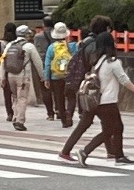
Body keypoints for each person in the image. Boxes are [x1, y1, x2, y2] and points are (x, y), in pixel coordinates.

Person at [59, 15, 113, 161]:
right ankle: (71, 151)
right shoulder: (94, 45)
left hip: (85, 87)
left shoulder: (85, 43)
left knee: (92, 122)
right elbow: (94, 66)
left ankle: (111, 151)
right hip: (93, 89)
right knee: (103, 122)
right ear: (105, 29)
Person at [77, 32, 134, 166]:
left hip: (98, 100)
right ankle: (85, 151)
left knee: (118, 127)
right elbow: (123, 80)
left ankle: (119, 156)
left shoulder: (98, 61)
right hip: (107, 101)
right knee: (110, 130)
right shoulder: (113, 62)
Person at [0, 25, 44, 131]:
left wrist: (2, 77)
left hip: (10, 75)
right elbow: (38, 62)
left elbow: (2, 62)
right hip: (23, 76)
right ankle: (20, 121)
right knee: (22, 98)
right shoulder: (29, 46)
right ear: (27, 34)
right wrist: (43, 76)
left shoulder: (10, 45)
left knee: (15, 96)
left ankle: (15, 116)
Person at [44, 22, 78, 128]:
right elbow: (76, 61)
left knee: (59, 98)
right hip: (69, 76)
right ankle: (69, 113)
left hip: (56, 76)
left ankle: (64, 120)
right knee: (71, 96)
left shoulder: (51, 47)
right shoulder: (72, 46)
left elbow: (48, 64)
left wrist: (46, 78)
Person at [32, 16, 56, 119]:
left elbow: (36, 50)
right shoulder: (57, 35)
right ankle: (59, 109)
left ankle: (50, 113)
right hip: (57, 63)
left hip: (42, 63)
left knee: (45, 90)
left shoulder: (38, 36)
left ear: (43, 24)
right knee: (58, 89)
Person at [0, 22, 18, 122]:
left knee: (7, 94)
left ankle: (9, 113)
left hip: (5, 70)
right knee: (17, 94)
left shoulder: (1, 43)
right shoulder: (17, 42)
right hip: (17, 70)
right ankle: (17, 112)